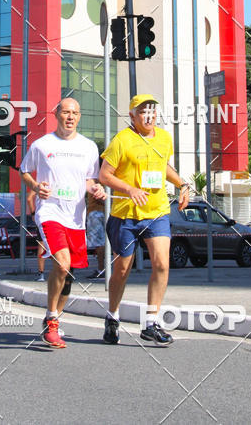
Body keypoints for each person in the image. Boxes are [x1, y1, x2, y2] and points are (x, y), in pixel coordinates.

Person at [98, 94, 189, 346]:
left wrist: (182, 183)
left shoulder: (163, 138)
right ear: (133, 116)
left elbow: (163, 166)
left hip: (156, 211)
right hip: (125, 214)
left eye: (152, 111)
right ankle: (113, 316)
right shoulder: (122, 141)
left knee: (161, 264)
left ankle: (151, 322)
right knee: (122, 269)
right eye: (142, 112)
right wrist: (130, 189)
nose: (148, 116)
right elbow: (104, 175)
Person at [20, 97, 106, 349]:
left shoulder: (89, 147)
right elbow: (24, 170)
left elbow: (90, 181)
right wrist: (36, 186)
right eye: (66, 112)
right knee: (63, 262)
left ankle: (53, 318)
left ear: (79, 117)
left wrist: (97, 190)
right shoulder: (41, 144)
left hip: (76, 217)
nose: (70, 116)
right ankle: (52, 319)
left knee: (68, 272)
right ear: (56, 114)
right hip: (50, 212)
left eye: (75, 113)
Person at [27, 189, 46, 282]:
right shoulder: (58, 182)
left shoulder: (39, 184)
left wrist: (33, 214)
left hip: (42, 216)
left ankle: (41, 274)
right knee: (58, 244)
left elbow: (29, 199)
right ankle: (63, 271)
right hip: (57, 216)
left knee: (42, 244)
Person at [86, 189, 106, 279]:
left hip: (95, 211)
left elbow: (99, 197)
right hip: (104, 212)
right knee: (103, 242)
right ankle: (102, 269)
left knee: (99, 243)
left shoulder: (95, 179)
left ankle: (101, 269)